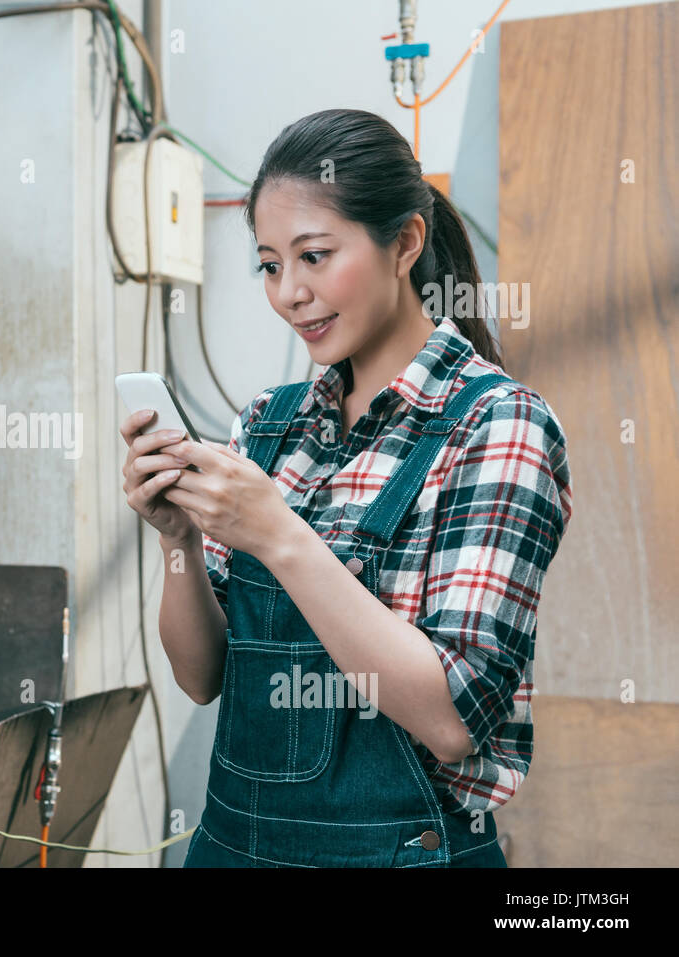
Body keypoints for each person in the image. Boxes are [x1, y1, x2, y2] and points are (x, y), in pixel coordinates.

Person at [119, 108, 573, 867]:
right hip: (232, 847)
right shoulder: (268, 425)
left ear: (405, 243)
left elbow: (453, 714)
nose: (291, 292)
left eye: (316, 255)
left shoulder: (498, 426)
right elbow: (201, 676)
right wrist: (178, 541)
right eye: (270, 264)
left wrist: (280, 534)